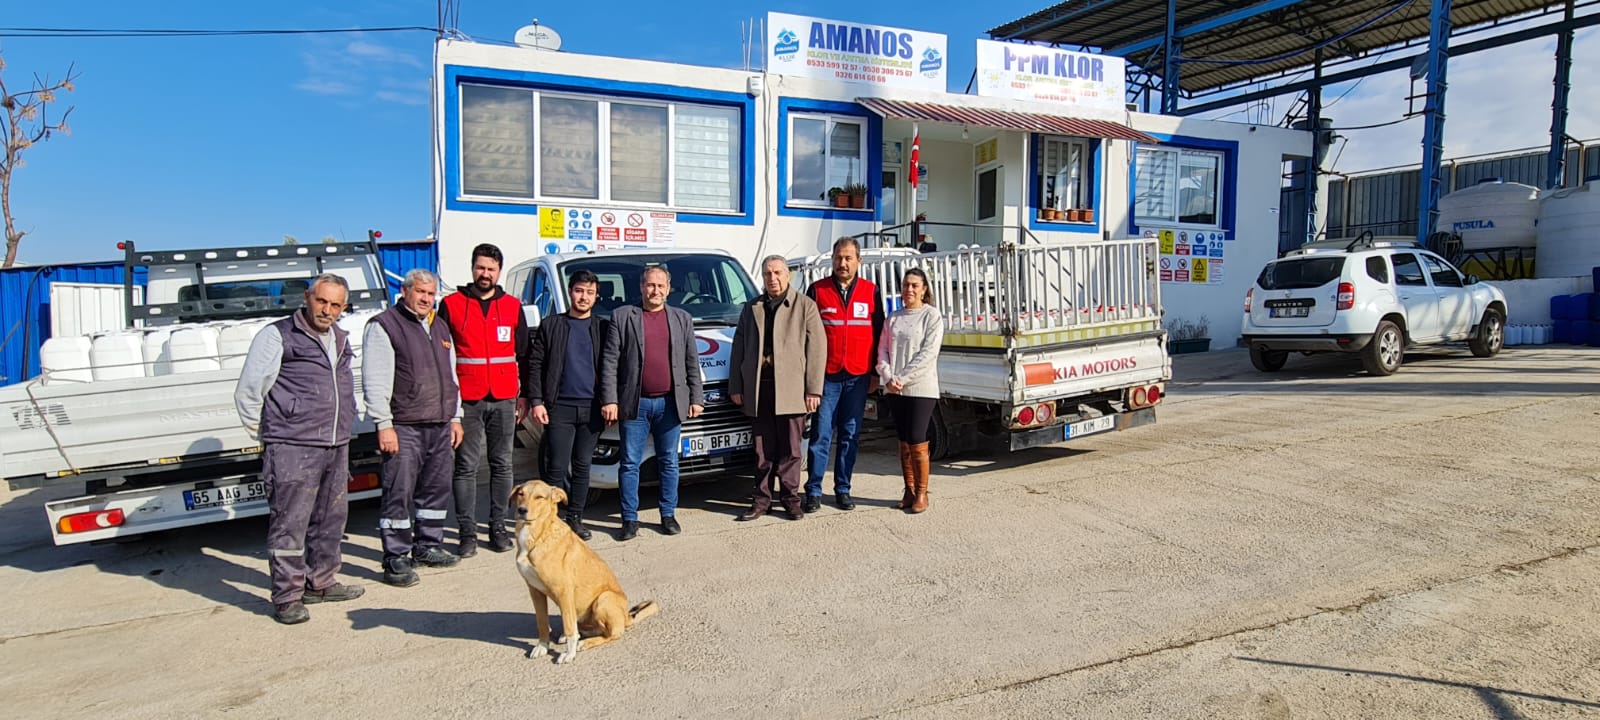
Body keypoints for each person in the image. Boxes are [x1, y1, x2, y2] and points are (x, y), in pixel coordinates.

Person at [234, 273, 365, 625]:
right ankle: (288, 596)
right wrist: (269, 434)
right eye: (322, 301)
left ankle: (321, 582)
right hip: (293, 445)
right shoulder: (277, 335)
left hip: (335, 443)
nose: (327, 310)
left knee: (331, 519)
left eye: (336, 305)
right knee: (290, 524)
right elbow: (249, 390)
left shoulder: (339, 337)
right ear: (307, 297)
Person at [362, 269, 465, 587]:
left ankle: (428, 546)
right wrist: (383, 424)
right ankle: (396, 557)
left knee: (435, 490)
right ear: (405, 292)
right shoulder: (385, 326)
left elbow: (452, 375)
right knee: (399, 492)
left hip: (439, 423)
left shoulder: (439, 326)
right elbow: (375, 379)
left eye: (431, 294)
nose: (426, 299)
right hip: (404, 425)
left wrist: (456, 417)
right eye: (420, 292)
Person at [599, 265, 703, 541]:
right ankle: (629, 519)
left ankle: (668, 514)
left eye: (660, 286)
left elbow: (691, 360)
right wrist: (609, 399)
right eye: (650, 285)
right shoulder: (622, 317)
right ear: (641, 287)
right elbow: (609, 362)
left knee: (669, 461)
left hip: (670, 403)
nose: (655, 291)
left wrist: (696, 397)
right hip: (635, 404)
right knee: (630, 463)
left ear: (668, 289)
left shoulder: (682, 318)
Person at [438, 243, 529, 556]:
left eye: (491, 269)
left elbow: (525, 355)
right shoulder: (451, 305)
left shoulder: (513, 307)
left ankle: (498, 527)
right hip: (468, 400)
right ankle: (466, 534)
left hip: (504, 398)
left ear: (499, 271)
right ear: (472, 268)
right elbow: (442, 357)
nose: (485, 274)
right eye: (480, 268)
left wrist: (525, 396)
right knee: (465, 466)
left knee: (502, 464)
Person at [729, 256, 825, 521]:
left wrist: (813, 390)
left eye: (778, 272)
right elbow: (739, 348)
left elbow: (816, 350)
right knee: (761, 449)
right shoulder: (752, 308)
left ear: (788, 275)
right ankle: (761, 500)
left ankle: (791, 500)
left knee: (791, 449)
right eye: (767, 273)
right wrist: (736, 385)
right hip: (760, 389)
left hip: (793, 390)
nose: (772, 278)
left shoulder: (805, 306)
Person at [525, 269, 609, 541]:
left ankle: (575, 518)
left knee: (583, 465)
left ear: (596, 297)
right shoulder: (552, 325)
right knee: (557, 467)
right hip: (559, 407)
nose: (583, 297)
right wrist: (536, 401)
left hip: (592, 409)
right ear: (570, 291)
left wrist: (611, 401)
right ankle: (549, 519)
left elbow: (612, 367)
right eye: (579, 291)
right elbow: (535, 365)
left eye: (590, 292)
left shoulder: (602, 327)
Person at [804, 236, 884, 513]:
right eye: (838, 257)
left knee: (850, 434)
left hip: (859, 375)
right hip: (827, 376)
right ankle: (813, 491)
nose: (843, 263)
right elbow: (808, 337)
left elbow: (879, 335)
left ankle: (843, 489)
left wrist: (875, 373)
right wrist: (809, 379)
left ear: (859, 261)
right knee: (821, 435)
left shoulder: (871, 291)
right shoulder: (817, 290)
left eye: (848, 258)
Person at [876, 268, 945, 514]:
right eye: (906, 285)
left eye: (915, 285)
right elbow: (882, 349)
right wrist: (887, 376)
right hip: (895, 389)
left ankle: (923, 493)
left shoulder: (931, 316)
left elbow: (928, 354)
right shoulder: (893, 318)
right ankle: (909, 489)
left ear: (924, 289)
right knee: (903, 439)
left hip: (921, 388)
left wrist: (903, 378)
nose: (910, 289)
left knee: (917, 437)